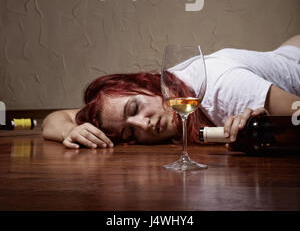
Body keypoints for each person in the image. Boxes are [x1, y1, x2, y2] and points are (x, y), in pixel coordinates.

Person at [42, 35, 300, 149]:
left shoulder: (222, 90)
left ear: (148, 84)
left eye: (134, 109)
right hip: (284, 52)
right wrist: (70, 130)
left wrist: (272, 129)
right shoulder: (165, 93)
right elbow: (54, 119)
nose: (143, 125)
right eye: (129, 132)